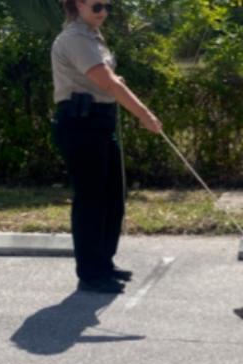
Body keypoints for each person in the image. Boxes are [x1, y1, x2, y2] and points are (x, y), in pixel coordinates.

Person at [51, 0, 162, 294]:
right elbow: (108, 83)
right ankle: (90, 273)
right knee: (91, 199)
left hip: (99, 122)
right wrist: (144, 114)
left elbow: (103, 80)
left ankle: (103, 263)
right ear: (78, 4)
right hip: (80, 125)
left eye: (107, 6)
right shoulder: (75, 38)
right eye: (97, 6)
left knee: (113, 195)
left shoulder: (92, 36)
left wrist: (114, 84)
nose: (103, 12)